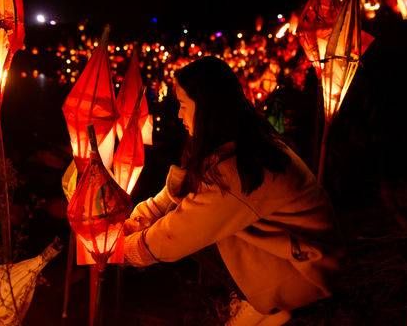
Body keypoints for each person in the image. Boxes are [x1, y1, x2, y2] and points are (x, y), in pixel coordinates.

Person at [123, 56, 342, 325]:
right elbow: (179, 192)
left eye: (182, 105)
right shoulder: (238, 143)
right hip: (293, 254)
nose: (179, 115)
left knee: (198, 237)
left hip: (306, 273)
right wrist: (138, 219)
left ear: (205, 107)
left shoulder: (242, 168)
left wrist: (123, 250)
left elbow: (175, 235)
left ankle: (270, 305)